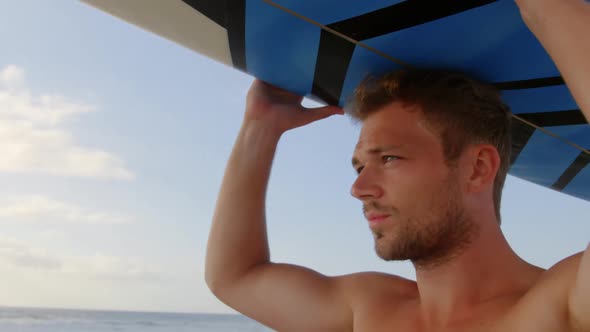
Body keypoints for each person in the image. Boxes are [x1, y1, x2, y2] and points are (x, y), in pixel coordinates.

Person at [205, 0, 590, 331]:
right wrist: (261, 127)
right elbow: (236, 277)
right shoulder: (370, 308)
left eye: (389, 158)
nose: (359, 188)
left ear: (477, 168)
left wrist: (548, 8)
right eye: (359, 167)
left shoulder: (561, 308)